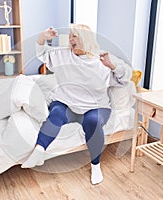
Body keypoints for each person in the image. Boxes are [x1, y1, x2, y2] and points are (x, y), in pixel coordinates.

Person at [21, 24, 132, 185]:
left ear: (85, 39)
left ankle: (95, 166)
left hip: (96, 106)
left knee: (92, 121)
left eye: (74, 36)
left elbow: (125, 78)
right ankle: (39, 151)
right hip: (67, 102)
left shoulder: (102, 58)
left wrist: (112, 66)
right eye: (70, 36)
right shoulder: (64, 54)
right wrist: (43, 37)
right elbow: (43, 53)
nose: (70, 39)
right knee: (56, 113)